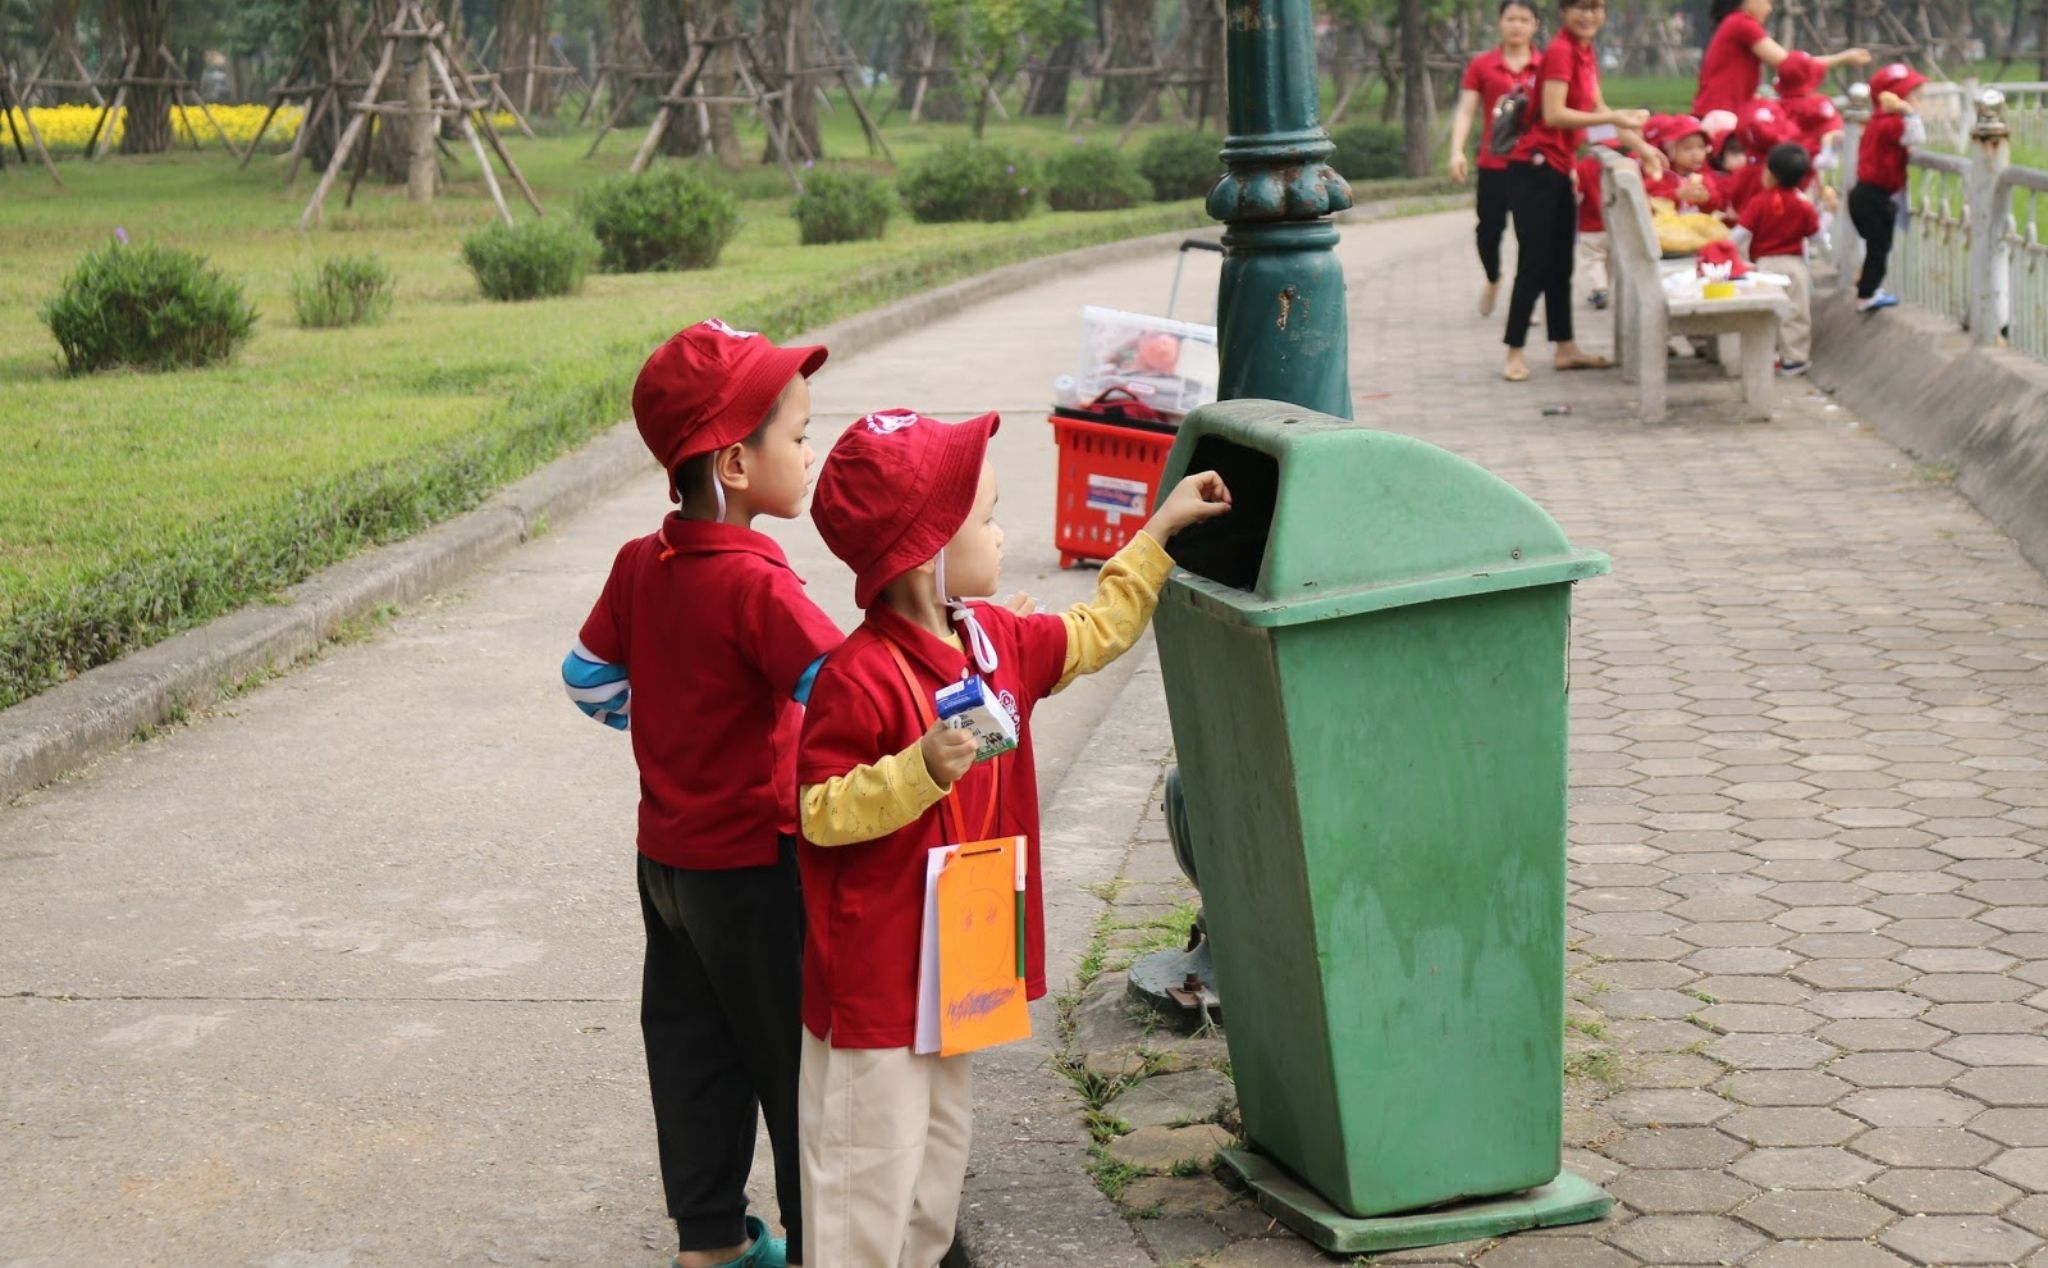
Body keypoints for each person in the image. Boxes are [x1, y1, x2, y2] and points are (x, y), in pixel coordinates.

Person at [795, 409, 1231, 1268]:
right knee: (862, 1193)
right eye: (988, 518)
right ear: (924, 550)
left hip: (957, 975)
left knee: (933, 1184)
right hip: (877, 990)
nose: (1005, 533)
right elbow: (821, 809)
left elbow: (1095, 630)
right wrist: (918, 768)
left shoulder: (991, 644)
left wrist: (1160, 529)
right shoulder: (860, 676)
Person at [563, 319, 843, 1268]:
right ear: (734, 463)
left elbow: (586, 677)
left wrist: (669, 717)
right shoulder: (759, 585)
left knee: (692, 1053)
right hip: (758, 868)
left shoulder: (643, 564)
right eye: (799, 437)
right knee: (795, 1067)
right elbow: (842, 695)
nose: (810, 454)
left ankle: (711, 1246)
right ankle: (823, 1244)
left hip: (668, 868)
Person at [1501, 0, 1666, 383]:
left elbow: (1598, 108)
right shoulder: (1560, 51)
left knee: (1562, 264)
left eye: (1595, 7)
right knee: (1535, 263)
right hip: (1534, 167)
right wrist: (1612, 118)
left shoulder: (1584, 53)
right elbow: (1556, 113)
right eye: (1579, 7)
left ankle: (1566, 347)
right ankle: (1514, 352)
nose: (1587, 15)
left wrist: (1641, 147)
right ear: (1563, 12)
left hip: (1560, 168)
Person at [1448, 0, 1542, 317]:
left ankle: (1525, 300)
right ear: (1500, 23)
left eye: (1524, 19)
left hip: (1534, 165)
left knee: (1531, 235)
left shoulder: (1545, 67)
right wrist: (1456, 150)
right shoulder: (1483, 66)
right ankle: (1493, 278)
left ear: (1535, 26)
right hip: (1494, 166)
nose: (1517, 25)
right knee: (1488, 232)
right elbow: (1466, 110)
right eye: (1511, 18)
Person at [1693, 0, 1870, 119]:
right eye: (1768, 1)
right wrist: (1843, 58)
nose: (1770, 9)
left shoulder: (1733, 22)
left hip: (1717, 109)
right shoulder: (1743, 24)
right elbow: (1791, 65)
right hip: (1722, 112)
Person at [1737, 142, 1823, 374]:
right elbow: (1817, 237)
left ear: (1770, 174)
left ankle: (1766, 353)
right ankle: (1794, 357)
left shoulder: (1759, 202)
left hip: (1764, 264)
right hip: (1793, 265)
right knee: (1795, 312)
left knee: (1766, 310)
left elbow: (1740, 234)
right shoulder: (1803, 204)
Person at [1849, 62, 1928, 314]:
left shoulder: (1878, 121)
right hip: (1874, 196)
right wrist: (1908, 113)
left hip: (1865, 194)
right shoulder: (1892, 122)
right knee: (1879, 247)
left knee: (1876, 245)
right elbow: (1916, 137)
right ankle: (1866, 295)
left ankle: (1869, 288)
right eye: (1914, 97)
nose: (1918, 103)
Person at [1644, 114, 1724, 214]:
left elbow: (1717, 204)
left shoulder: (1704, 176)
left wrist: (1707, 199)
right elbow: (1649, 200)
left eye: (1701, 147)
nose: (1696, 153)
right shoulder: (1660, 175)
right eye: (1687, 148)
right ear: (1671, 152)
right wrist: (1676, 195)